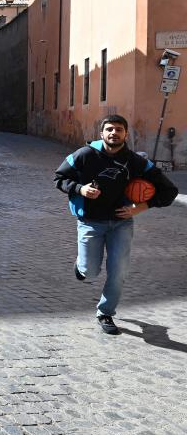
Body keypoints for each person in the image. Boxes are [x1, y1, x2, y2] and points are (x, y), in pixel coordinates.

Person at [54, 114, 178, 335]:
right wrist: (80, 189)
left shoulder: (136, 162)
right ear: (101, 133)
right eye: (109, 129)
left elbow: (169, 191)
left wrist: (142, 206)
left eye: (119, 129)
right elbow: (59, 178)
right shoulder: (84, 155)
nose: (114, 133)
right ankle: (82, 266)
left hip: (121, 223)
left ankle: (105, 312)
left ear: (126, 134)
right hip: (90, 222)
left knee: (118, 271)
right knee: (89, 272)